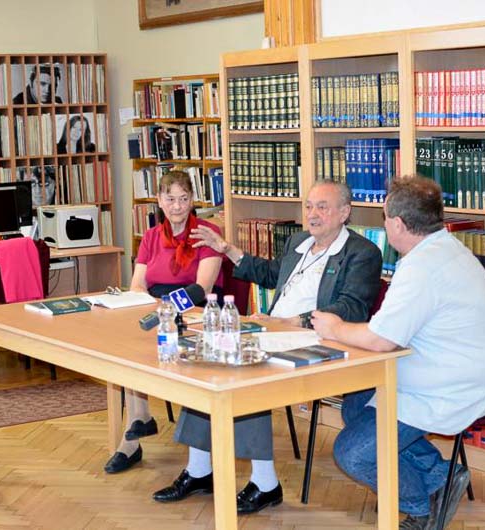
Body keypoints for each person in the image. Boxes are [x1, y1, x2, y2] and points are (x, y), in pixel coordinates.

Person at [151, 180, 383, 514]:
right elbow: (271, 273)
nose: (312, 214)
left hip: (320, 340)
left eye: (322, 207)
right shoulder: (299, 242)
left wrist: (293, 321)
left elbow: (351, 307)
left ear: (345, 212)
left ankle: (265, 482)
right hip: (275, 332)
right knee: (207, 364)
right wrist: (226, 248)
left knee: (249, 373)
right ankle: (199, 470)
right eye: (308, 206)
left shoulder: (362, 253)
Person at [311, 176, 485, 530]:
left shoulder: (421, 267)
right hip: (445, 373)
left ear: (398, 224)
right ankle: (440, 477)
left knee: (351, 454)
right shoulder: (446, 249)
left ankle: (420, 506)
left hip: (450, 388)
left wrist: (334, 328)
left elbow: (382, 339)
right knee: (356, 405)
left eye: (385, 218)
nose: (384, 226)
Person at [103, 170, 223, 474]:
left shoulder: (207, 233)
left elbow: (202, 288)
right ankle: (139, 421)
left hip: (194, 311)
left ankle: (134, 434)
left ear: (192, 200)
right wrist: (153, 308)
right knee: (126, 347)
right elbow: (137, 285)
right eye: (170, 199)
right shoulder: (152, 236)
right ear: (159, 201)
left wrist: (166, 310)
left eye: (184, 199)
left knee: (146, 341)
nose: (177, 206)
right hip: (157, 308)